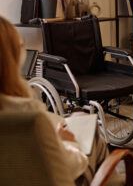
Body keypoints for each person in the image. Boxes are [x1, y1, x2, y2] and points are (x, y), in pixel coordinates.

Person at [0, 16, 123, 186]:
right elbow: (75, 165)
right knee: (90, 131)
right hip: (58, 176)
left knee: (77, 119)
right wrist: (66, 142)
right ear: (14, 58)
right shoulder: (31, 119)